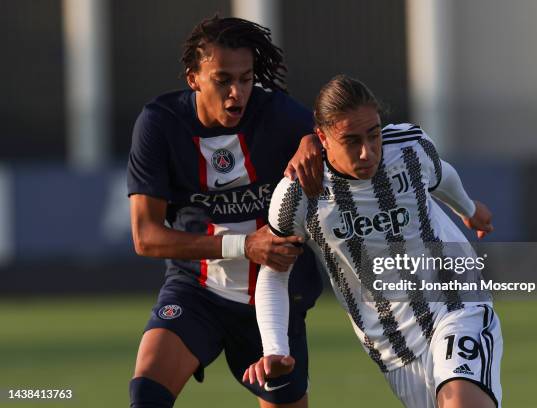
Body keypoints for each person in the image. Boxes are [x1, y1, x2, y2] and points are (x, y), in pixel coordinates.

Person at [244, 75, 502, 408]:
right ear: (321, 137)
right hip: (392, 343)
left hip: (456, 304)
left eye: (374, 134)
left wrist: (468, 209)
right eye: (351, 140)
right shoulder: (297, 194)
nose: (367, 152)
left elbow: (442, 175)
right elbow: (274, 271)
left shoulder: (409, 149)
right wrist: (275, 350)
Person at [126, 15, 324, 408]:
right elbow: (146, 238)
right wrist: (244, 245)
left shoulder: (279, 116)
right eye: (223, 80)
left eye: (246, 78)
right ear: (193, 78)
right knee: (146, 395)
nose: (237, 92)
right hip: (196, 290)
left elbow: (339, 136)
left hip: (274, 301)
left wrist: (314, 141)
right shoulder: (160, 124)